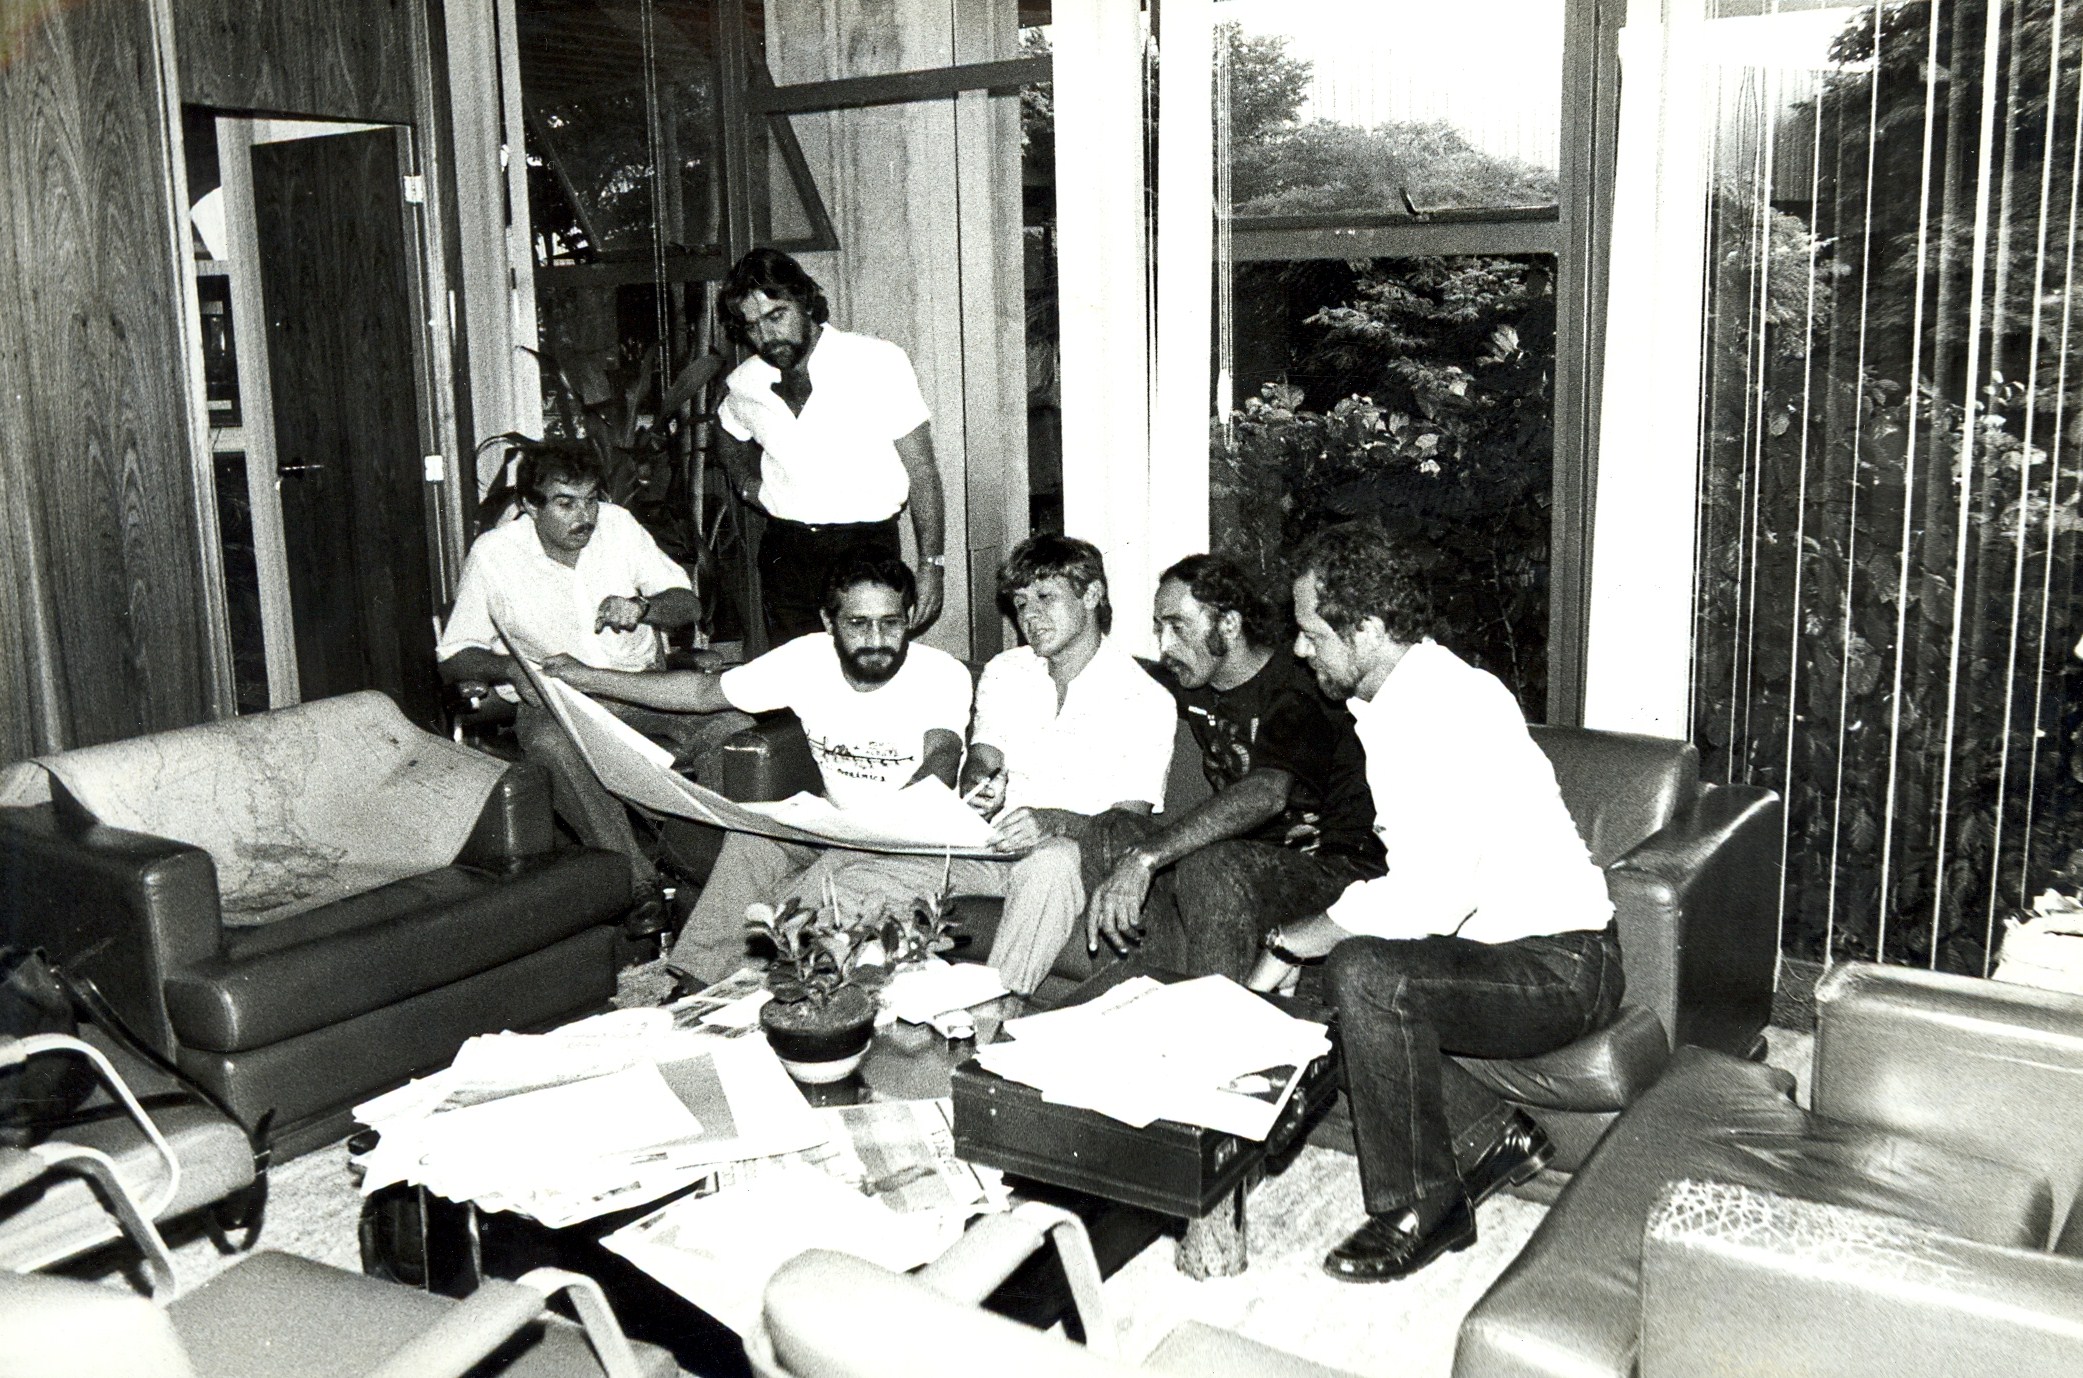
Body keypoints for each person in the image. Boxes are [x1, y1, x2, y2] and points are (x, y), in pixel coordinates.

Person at [1261, 521, 1619, 1284]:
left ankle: (1423, 1204)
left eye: (1312, 632)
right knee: (1356, 977)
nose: (1298, 648)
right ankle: (1490, 1134)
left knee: (1361, 972)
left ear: (1366, 628)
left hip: (1560, 968)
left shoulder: (1443, 707)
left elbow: (1429, 899)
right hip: (1495, 956)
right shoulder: (1394, 706)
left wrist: (1290, 942)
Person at [542, 557, 973, 987]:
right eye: (858, 624)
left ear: (909, 619)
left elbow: (942, 757)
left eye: (891, 623)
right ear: (829, 622)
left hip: (910, 839)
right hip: (832, 827)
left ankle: (770, 983)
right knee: (751, 839)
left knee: (821, 884)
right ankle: (697, 985)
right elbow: (702, 692)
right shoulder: (807, 658)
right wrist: (588, 678)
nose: (876, 640)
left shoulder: (939, 673)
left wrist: (884, 821)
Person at [783, 534, 1177, 995]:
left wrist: (1052, 821)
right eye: (1021, 603)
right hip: (987, 847)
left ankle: (996, 1008)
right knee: (844, 877)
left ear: (1091, 595)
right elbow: (984, 756)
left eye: (1045, 598)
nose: (1030, 616)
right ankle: (812, 998)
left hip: (1072, 857)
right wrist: (980, 787)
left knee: (1049, 864)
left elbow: (1127, 825)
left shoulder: (1145, 698)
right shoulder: (1007, 671)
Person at [436, 445, 737, 923]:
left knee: (731, 725)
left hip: (638, 688)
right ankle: (637, 883)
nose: (586, 516)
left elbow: (687, 603)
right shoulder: (495, 554)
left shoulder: (618, 526)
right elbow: (454, 654)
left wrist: (643, 609)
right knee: (550, 746)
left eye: (591, 499)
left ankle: (704, 863)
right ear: (530, 505)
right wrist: (511, 670)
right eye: (566, 503)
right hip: (558, 704)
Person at [1075, 554, 1386, 983]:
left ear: (1229, 624)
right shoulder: (1192, 678)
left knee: (1211, 864)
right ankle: (1144, 996)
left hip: (1335, 874)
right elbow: (1115, 671)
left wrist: (1148, 857)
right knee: (1111, 829)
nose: (1165, 646)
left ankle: (1213, 1017)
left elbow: (1267, 793)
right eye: (1159, 628)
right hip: (1243, 865)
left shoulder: (1298, 688)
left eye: (1178, 627)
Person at [716, 247, 948, 641]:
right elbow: (725, 430)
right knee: (796, 673)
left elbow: (923, 473)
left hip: (865, 548)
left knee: (866, 666)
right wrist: (747, 486)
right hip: (786, 552)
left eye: (776, 316)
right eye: (752, 326)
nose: (767, 337)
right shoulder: (745, 382)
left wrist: (931, 565)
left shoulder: (877, 361)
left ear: (805, 303)